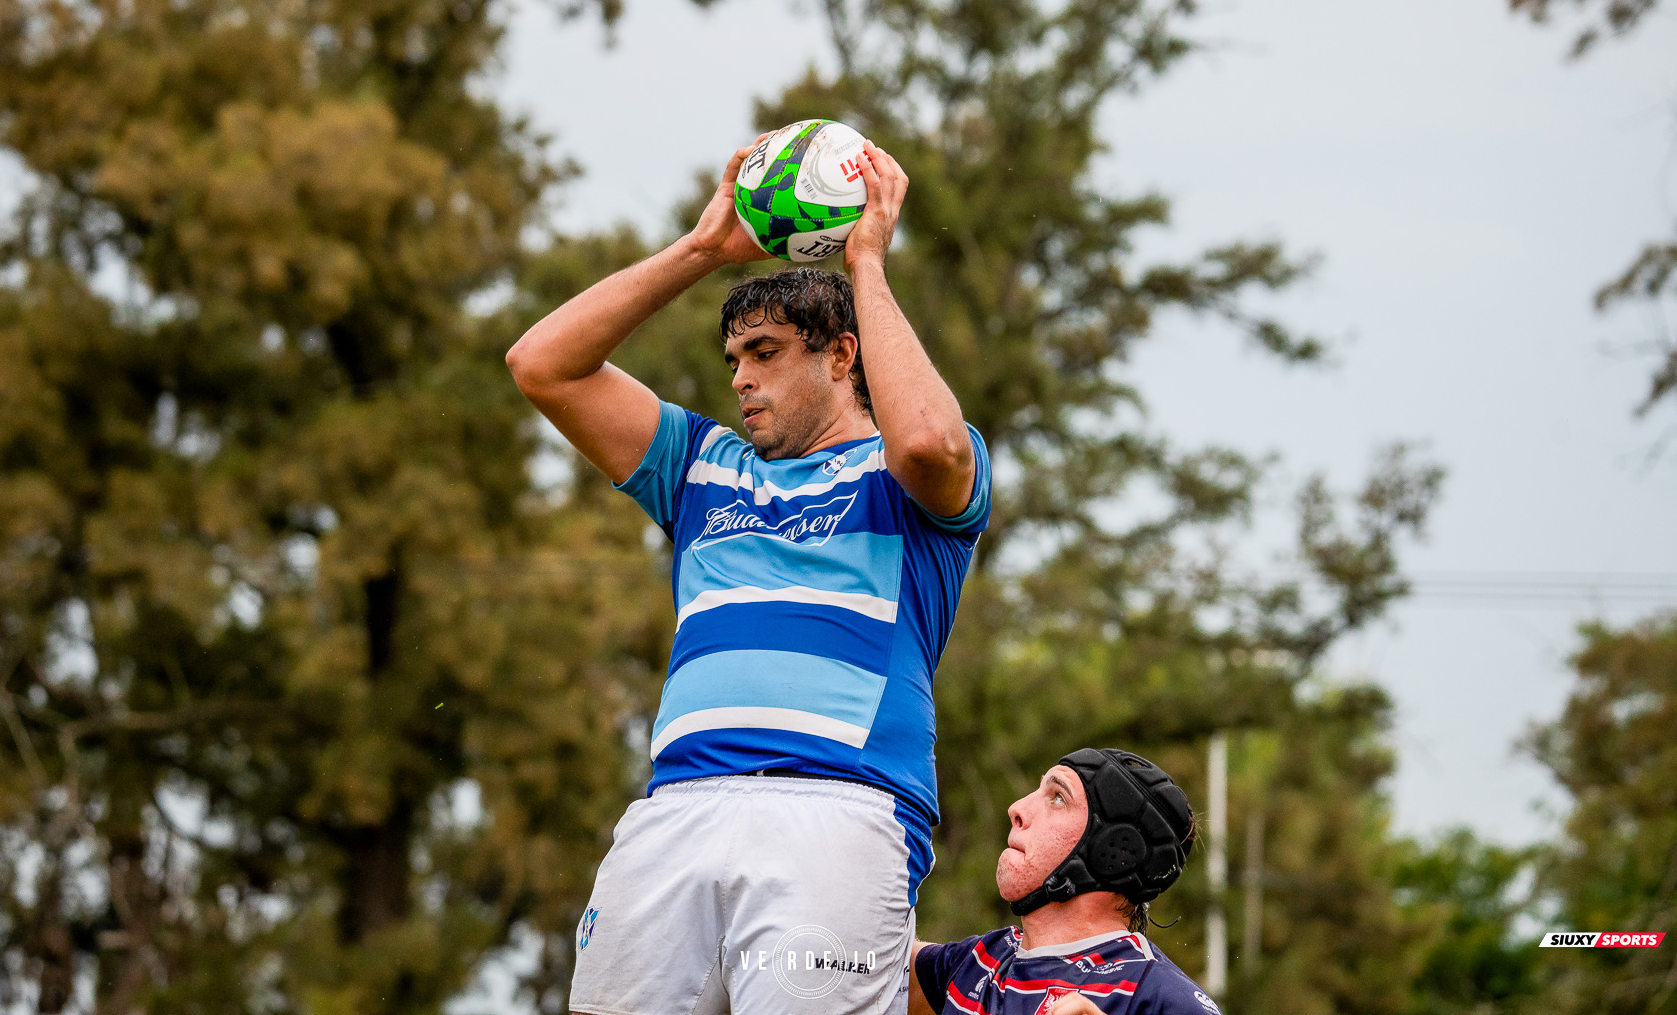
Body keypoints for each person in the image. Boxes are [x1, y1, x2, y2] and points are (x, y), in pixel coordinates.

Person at [505, 129, 992, 1015]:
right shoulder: (700, 465)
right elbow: (542, 364)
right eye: (734, 358)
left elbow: (930, 438)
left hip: (838, 809)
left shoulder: (903, 472)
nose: (741, 378)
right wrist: (701, 250)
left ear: (841, 355)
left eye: (765, 353)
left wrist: (866, 264)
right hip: (675, 808)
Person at [908, 749, 1217, 1015]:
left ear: (1113, 852)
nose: (1017, 808)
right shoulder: (978, 961)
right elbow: (870, 971)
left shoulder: (1159, 995)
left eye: (1057, 797)